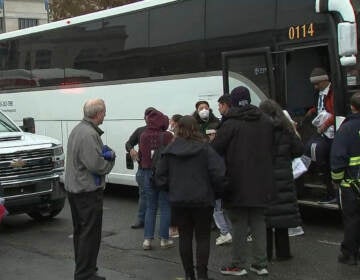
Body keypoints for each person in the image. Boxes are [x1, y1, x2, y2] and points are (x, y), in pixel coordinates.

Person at [212, 86, 275, 276]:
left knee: (238, 222)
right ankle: (260, 263)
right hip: (262, 179)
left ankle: (237, 264)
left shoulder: (231, 123)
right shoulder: (265, 120)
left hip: (237, 180)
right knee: (258, 220)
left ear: (232, 102)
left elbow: (215, 149)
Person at [154, 115, 226, 280]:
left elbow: (159, 176)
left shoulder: (170, 150)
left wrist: (172, 188)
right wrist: (216, 192)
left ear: (178, 128)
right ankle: (202, 275)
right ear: (195, 128)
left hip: (179, 200)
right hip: (203, 199)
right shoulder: (205, 148)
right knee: (202, 238)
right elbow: (218, 173)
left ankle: (188, 275)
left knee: (184, 237)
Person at [65, 98, 116, 280]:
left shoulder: (79, 129)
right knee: (89, 234)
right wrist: (110, 159)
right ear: (98, 114)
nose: (105, 115)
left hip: (75, 189)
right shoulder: (89, 134)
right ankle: (85, 274)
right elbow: (96, 165)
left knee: (81, 232)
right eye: (104, 112)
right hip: (86, 191)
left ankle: (84, 270)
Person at [259, 99, 304, 261]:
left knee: (265, 218)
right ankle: (284, 253)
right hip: (284, 175)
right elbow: (299, 150)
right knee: (282, 216)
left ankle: (267, 253)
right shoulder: (286, 129)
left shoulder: (258, 130)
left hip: (264, 176)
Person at [330, 91, 360, 265]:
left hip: (351, 185)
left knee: (351, 219)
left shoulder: (346, 128)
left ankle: (349, 253)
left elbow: (338, 157)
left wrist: (336, 179)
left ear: (352, 107)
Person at [139, 109, 174, 250]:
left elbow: (142, 155)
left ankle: (147, 240)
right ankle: (164, 239)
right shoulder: (167, 136)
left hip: (147, 173)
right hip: (164, 175)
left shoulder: (143, 135)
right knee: (165, 206)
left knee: (150, 207)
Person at [304, 67, 336, 203]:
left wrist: (325, 125)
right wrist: (312, 111)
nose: (315, 87)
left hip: (331, 133)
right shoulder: (321, 93)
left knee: (325, 159)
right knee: (310, 149)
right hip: (323, 133)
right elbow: (321, 108)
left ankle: (331, 191)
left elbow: (335, 112)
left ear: (324, 80)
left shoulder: (334, 93)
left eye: (317, 84)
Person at [125, 107, 156, 229]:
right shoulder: (140, 131)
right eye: (147, 115)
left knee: (160, 197)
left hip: (157, 169)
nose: (148, 118)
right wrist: (131, 149)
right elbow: (128, 143)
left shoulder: (161, 130)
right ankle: (141, 219)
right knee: (143, 194)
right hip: (143, 168)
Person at [213, 95, 233, 246]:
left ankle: (225, 232)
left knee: (218, 206)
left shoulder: (226, 124)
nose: (218, 108)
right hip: (229, 170)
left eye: (220, 105)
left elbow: (217, 148)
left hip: (223, 171)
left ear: (226, 105)